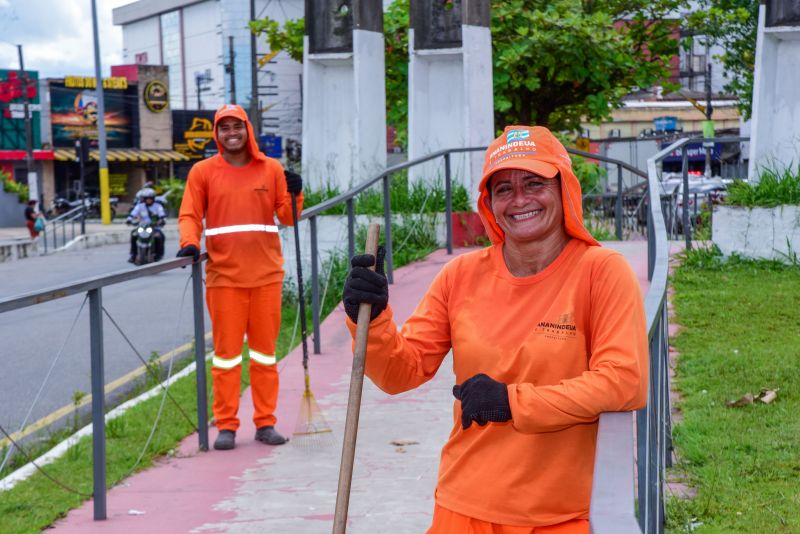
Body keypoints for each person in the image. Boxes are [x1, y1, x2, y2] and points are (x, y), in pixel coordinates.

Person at [342, 125, 648, 533]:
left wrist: (512, 402)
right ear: (489, 204)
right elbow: (401, 372)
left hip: (557, 517)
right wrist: (371, 318)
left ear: (563, 189)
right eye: (503, 189)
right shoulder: (461, 275)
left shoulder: (601, 272)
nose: (519, 200)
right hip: (460, 507)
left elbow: (624, 381)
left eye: (534, 183)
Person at [177, 104, 303, 451]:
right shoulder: (203, 172)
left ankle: (265, 423)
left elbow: (288, 217)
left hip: (266, 277)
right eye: (224, 127)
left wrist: (296, 191)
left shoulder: (271, 168)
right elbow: (189, 214)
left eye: (237, 126)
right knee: (226, 357)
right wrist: (190, 244)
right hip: (224, 278)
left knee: (264, 355)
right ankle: (227, 426)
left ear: (248, 129)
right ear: (216, 134)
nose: (231, 133)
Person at [126, 187, 166, 263]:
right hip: (142, 227)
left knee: (159, 236)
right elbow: (133, 214)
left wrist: (162, 220)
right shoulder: (139, 206)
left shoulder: (158, 206)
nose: (148, 200)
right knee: (133, 235)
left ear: (153, 198)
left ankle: (159, 255)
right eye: (147, 198)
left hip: (154, 227)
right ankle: (133, 255)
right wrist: (129, 220)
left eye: (150, 198)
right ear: (143, 199)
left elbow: (162, 215)